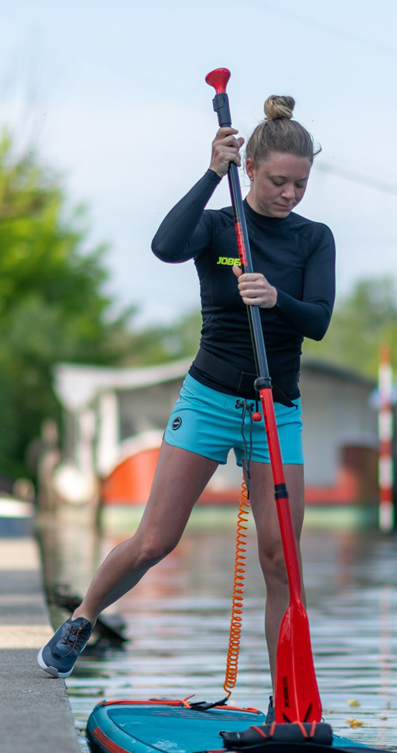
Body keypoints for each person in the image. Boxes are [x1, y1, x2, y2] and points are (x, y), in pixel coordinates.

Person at [38, 95, 336, 704]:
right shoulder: (219, 226)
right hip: (208, 400)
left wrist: (276, 299)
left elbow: (320, 321)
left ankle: (287, 702)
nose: (290, 194)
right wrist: (208, 174)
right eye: (278, 181)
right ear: (248, 168)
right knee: (156, 540)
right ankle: (84, 617)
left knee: (282, 560)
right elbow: (165, 246)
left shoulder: (314, 238)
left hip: (276, 410)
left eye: (300, 184)